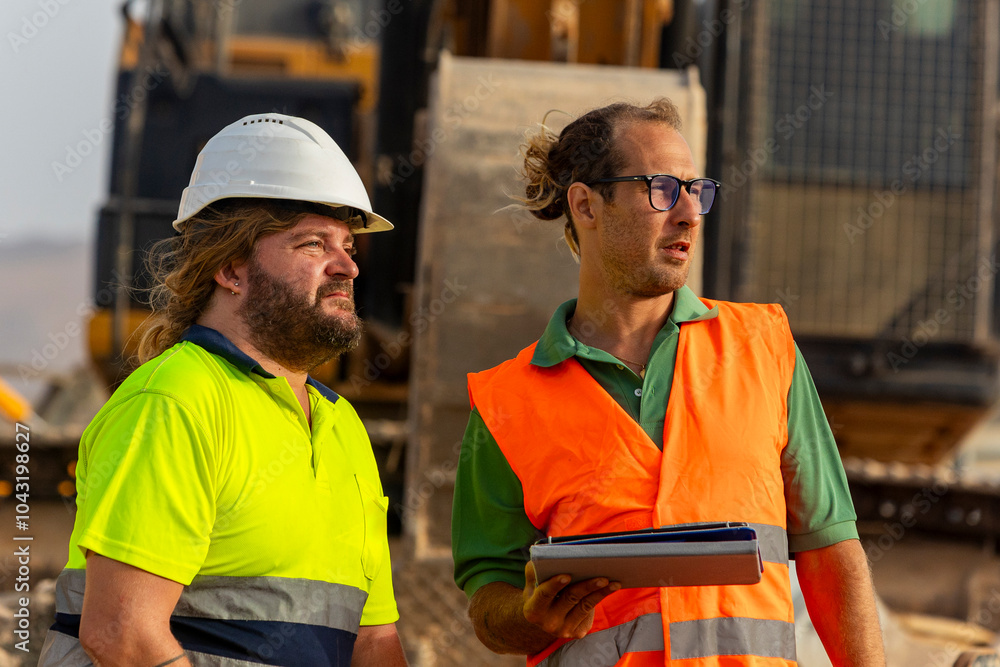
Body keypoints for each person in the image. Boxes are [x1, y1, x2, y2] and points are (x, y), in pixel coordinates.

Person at [451, 98, 886, 667]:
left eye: (697, 190)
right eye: (661, 188)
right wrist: (529, 617)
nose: (689, 213)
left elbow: (832, 551)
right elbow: (489, 602)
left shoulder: (764, 347)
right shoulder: (506, 403)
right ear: (585, 205)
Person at [38, 113, 408, 667]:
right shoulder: (176, 402)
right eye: (313, 244)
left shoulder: (342, 430)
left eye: (348, 244)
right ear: (231, 268)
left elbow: (374, 644)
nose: (347, 266)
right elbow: (123, 634)